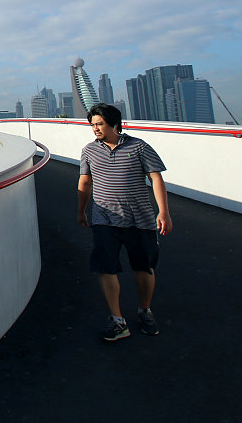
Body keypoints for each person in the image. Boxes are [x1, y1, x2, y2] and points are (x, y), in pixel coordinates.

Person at [77, 102, 173, 341]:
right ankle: (118, 321)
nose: (95, 129)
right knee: (105, 266)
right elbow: (85, 183)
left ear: (114, 123)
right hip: (104, 220)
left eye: (99, 124)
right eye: (92, 125)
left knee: (144, 267)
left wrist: (164, 212)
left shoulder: (139, 147)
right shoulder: (89, 150)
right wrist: (81, 211)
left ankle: (145, 310)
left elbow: (156, 179)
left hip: (139, 220)